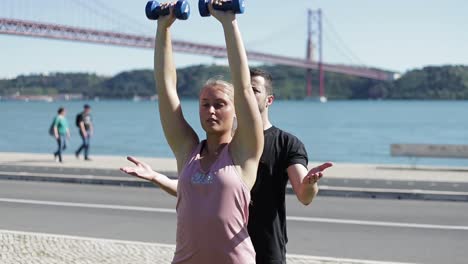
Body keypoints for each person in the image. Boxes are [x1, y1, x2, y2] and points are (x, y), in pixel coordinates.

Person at [120, 2, 263, 264]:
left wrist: (228, 22)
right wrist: (163, 27)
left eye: (219, 105)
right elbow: (166, 88)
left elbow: (243, 87)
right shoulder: (188, 151)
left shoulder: (244, 152)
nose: (210, 111)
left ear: (235, 111)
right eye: (205, 104)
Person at [247, 68, 333, 264]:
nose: (247, 94)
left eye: (254, 90)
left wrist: (310, 184)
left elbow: (304, 195)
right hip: (223, 245)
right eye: (243, 89)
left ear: (269, 100)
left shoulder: (286, 143)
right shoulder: (226, 140)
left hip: (266, 248)